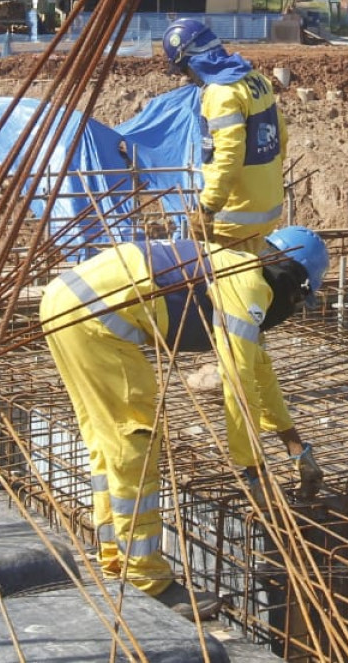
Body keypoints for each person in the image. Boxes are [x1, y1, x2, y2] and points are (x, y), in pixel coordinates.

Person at [39, 226, 329, 619]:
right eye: (298, 299)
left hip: (67, 303)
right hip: (95, 319)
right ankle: (144, 577)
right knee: (133, 442)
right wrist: (252, 470)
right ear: (295, 281)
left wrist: (295, 447)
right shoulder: (248, 288)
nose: (293, 308)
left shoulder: (242, 269)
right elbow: (239, 384)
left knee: (107, 439)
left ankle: (114, 555)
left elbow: (260, 373)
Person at [162, 18, 288, 249]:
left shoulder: (221, 94)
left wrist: (208, 207)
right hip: (267, 208)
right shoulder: (255, 79)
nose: (188, 77)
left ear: (192, 61)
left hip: (235, 219)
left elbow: (229, 155)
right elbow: (280, 137)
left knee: (230, 282)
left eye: (184, 69)